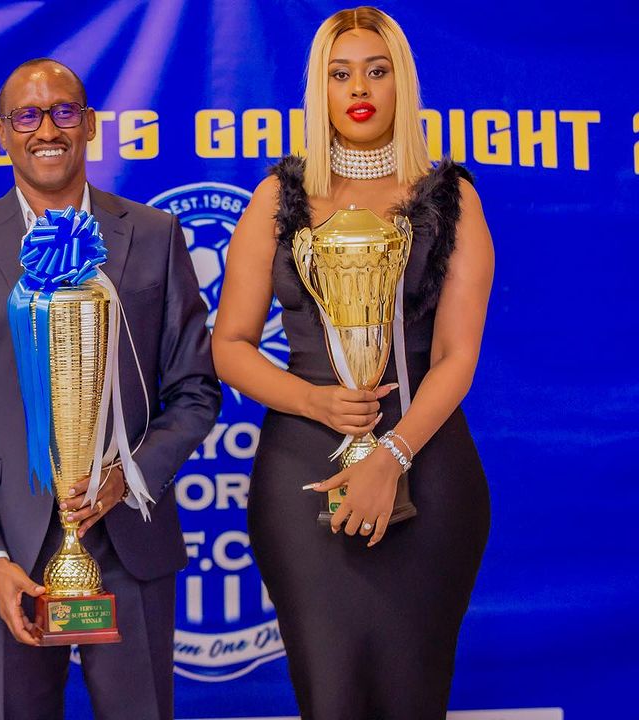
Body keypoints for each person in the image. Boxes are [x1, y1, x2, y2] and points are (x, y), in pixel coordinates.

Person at [212, 7, 493, 719]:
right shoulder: (278, 198)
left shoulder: (451, 198)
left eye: (376, 71)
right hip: (303, 470)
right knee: (330, 696)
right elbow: (230, 345)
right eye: (340, 75)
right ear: (321, 88)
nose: (359, 89)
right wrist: (311, 400)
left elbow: (457, 356)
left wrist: (390, 455)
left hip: (427, 463)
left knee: (412, 697)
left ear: (402, 83)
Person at [0, 58, 220, 720]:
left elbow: (196, 390)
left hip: (129, 537)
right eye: (27, 115)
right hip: (9, 548)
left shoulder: (153, 235)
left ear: (89, 125)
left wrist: (129, 477)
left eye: (63, 112)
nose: (46, 129)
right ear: (3, 133)